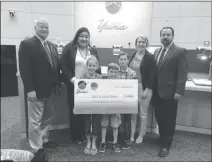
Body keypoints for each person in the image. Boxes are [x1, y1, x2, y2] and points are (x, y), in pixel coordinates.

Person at [18, 18, 61, 153]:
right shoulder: (26, 44)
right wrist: (30, 89)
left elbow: (55, 67)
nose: (44, 29)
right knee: (35, 121)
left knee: (47, 118)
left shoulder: (52, 46)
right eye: (41, 27)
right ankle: (36, 147)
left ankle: (44, 139)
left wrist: (59, 83)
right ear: (35, 28)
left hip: (52, 90)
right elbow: (24, 69)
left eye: (46, 27)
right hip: (36, 90)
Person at [60, 27, 101, 144]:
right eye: (81, 36)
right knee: (75, 110)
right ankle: (75, 135)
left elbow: (97, 65)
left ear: (89, 38)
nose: (84, 38)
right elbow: (63, 65)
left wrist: (97, 83)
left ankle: (85, 133)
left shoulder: (93, 50)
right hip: (74, 84)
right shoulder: (69, 48)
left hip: (89, 85)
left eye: (86, 36)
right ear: (77, 37)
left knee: (86, 111)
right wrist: (72, 79)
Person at [152, 27, 188, 157]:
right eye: (163, 35)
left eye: (168, 35)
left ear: (173, 36)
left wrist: (179, 91)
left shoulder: (179, 52)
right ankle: (162, 138)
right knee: (160, 118)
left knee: (169, 120)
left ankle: (166, 145)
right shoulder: (157, 51)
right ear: (160, 37)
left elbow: (183, 73)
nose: (165, 37)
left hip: (171, 93)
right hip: (157, 93)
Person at [124, 36, 156, 148]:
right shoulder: (133, 55)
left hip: (143, 87)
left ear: (146, 44)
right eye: (139, 42)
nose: (141, 44)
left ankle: (141, 134)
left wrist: (147, 89)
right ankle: (132, 135)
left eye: (143, 42)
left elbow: (153, 75)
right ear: (136, 43)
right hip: (132, 87)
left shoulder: (150, 57)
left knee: (142, 113)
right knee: (133, 112)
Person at [80, 56, 102, 155]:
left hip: (97, 104)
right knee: (87, 123)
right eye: (90, 65)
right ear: (87, 66)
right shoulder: (83, 77)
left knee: (96, 123)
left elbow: (102, 91)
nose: (91, 67)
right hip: (86, 104)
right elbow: (79, 92)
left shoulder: (100, 77)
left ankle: (94, 142)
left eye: (93, 66)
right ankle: (88, 141)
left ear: (96, 66)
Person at [99, 63, 121, 153]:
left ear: (118, 73)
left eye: (115, 72)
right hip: (106, 108)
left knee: (115, 126)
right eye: (111, 71)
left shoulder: (120, 84)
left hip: (116, 108)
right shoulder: (103, 83)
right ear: (107, 72)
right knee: (104, 125)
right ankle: (103, 142)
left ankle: (115, 142)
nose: (113, 73)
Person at [115, 52, 136, 149]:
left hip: (128, 100)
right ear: (118, 61)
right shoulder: (115, 71)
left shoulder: (132, 72)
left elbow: (134, 87)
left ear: (128, 61)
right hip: (117, 99)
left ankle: (127, 139)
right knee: (118, 119)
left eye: (125, 59)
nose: (123, 61)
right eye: (121, 59)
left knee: (127, 120)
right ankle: (119, 138)